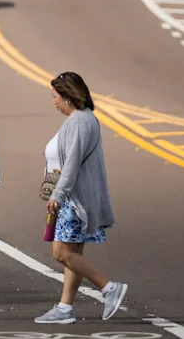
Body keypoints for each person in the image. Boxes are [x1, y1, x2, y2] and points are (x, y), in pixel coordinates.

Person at [34, 72, 127, 324]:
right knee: (73, 253)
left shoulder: (80, 122)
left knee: (62, 253)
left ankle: (109, 288)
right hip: (69, 196)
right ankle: (65, 307)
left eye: (55, 97)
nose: (53, 102)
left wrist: (58, 195)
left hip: (73, 200)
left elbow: (72, 164)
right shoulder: (79, 120)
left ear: (68, 97)